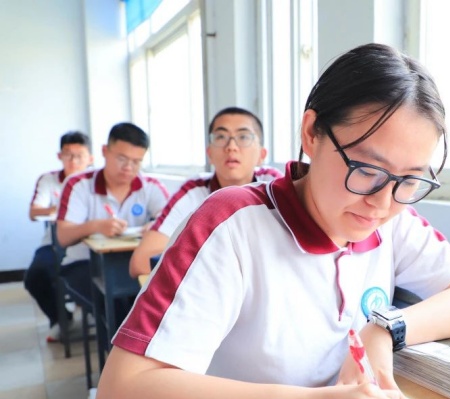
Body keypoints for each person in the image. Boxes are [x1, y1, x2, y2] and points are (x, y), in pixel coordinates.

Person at [96, 43, 450, 399]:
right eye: (367, 169)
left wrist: (384, 329)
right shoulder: (233, 224)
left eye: (409, 180)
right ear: (312, 133)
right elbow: (122, 395)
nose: (382, 202)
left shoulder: (392, 222)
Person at [128, 107, 282, 278]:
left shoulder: (273, 184)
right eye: (221, 137)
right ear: (209, 153)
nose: (231, 147)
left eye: (243, 137)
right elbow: (142, 261)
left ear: (262, 154)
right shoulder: (195, 191)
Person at [56, 122, 169, 308]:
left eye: (136, 161)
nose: (128, 167)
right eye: (122, 159)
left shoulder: (151, 186)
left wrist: (156, 226)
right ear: (104, 151)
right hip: (83, 263)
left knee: (152, 304)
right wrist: (96, 226)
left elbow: (172, 222)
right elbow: (63, 237)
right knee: (117, 310)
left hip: (132, 261)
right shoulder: (78, 184)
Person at [25, 131, 94, 342]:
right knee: (35, 276)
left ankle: (99, 314)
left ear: (90, 158)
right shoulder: (49, 180)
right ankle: (61, 319)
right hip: (55, 242)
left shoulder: (97, 180)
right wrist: (61, 209)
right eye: (68, 155)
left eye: (79, 156)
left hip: (91, 242)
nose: (73, 161)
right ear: (59, 156)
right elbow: (34, 212)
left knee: (100, 274)